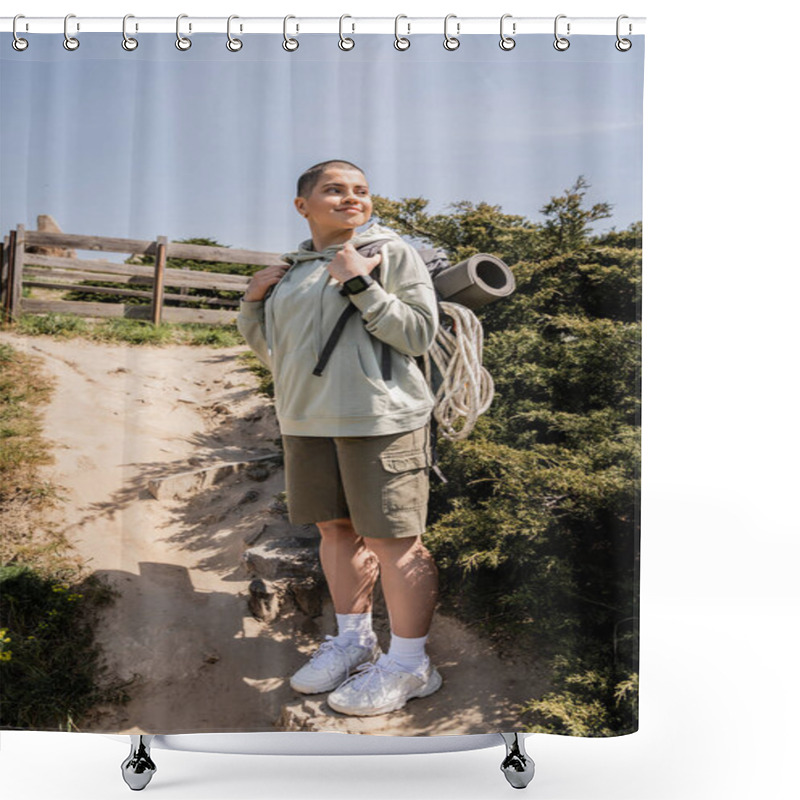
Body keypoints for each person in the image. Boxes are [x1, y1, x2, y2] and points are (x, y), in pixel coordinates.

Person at [236, 159, 443, 716]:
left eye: (361, 191)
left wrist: (358, 281)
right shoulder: (295, 268)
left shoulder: (387, 253)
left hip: (378, 419)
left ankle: (410, 664)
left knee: (395, 543)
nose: (352, 198)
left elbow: (420, 333)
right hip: (306, 421)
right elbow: (280, 356)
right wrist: (252, 305)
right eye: (335, 190)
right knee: (335, 530)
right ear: (303, 205)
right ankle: (355, 642)